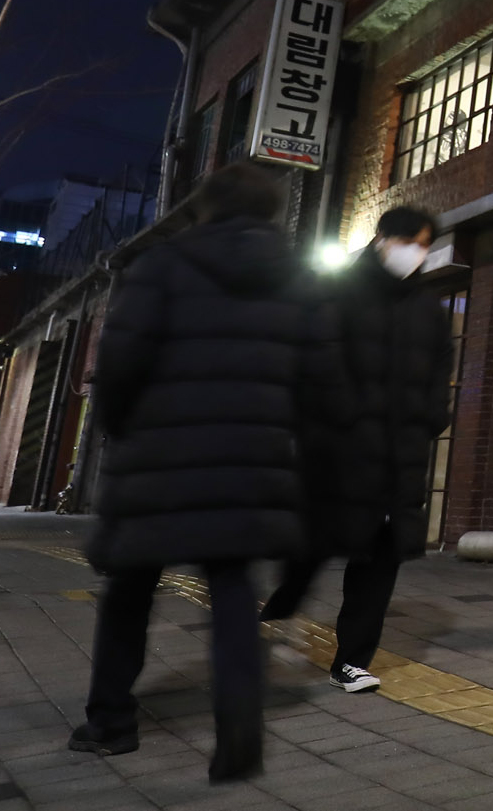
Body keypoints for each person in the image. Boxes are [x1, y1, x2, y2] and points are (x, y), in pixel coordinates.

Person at [70, 164, 333, 783]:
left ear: (204, 210)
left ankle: (110, 723)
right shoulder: (300, 282)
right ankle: (239, 728)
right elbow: (318, 383)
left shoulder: (161, 266)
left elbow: (121, 361)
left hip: (159, 457)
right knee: (235, 593)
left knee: (131, 593)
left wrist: (118, 427)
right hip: (249, 460)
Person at [260, 206, 452, 695]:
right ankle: (281, 611)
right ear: (383, 238)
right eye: (410, 241)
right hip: (338, 451)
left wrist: (431, 419)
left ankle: (351, 661)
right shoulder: (337, 288)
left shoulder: (428, 307)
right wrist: (339, 418)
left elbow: (438, 375)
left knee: (380, 556)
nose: (417, 253)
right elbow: (311, 362)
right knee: (315, 544)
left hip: (399, 452)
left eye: (425, 244)